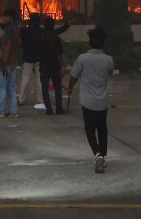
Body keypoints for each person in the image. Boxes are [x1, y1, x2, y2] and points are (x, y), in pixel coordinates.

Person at [66, 28, 114, 173]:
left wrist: (69, 87)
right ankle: (103, 155)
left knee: (89, 129)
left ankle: (97, 154)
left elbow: (74, 76)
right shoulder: (108, 59)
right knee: (102, 128)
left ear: (90, 43)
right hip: (102, 101)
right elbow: (110, 72)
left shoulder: (82, 59)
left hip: (87, 101)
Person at [0, 8, 19, 117]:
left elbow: (7, 45)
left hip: (7, 62)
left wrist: (3, 62)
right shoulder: (15, 27)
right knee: (12, 87)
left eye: (5, 16)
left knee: (1, 86)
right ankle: (14, 111)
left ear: (10, 18)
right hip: (14, 61)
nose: (3, 18)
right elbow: (0, 21)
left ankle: (0, 111)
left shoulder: (9, 29)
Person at [39, 16, 65, 115]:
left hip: (44, 66)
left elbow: (38, 52)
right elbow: (59, 54)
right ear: (53, 26)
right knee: (58, 88)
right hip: (55, 66)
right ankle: (59, 108)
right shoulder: (56, 38)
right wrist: (62, 66)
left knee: (44, 89)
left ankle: (49, 109)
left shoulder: (40, 37)